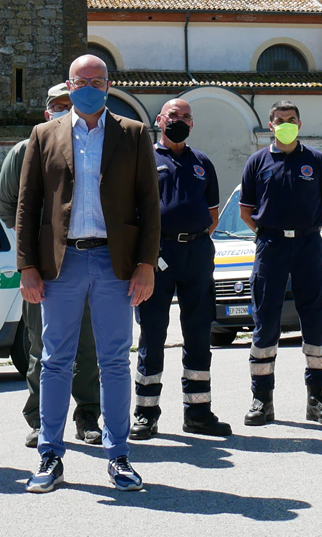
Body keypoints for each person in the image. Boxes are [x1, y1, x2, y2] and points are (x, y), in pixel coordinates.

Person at [15, 54, 160, 494]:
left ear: (109, 85)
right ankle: (50, 455)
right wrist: (26, 266)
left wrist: (146, 264)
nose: (91, 86)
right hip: (62, 265)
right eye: (82, 81)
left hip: (115, 264)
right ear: (69, 85)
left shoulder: (133, 135)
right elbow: (28, 205)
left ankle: (119, 457)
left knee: (114, 361)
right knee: (55, 360)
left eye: (98, 80)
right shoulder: (44, 135)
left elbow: (149, 205)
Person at [0, 83, 101, 448]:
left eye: (66, 105)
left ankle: (88, 415)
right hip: (43, 266)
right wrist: (31, 255)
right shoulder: (25, 151)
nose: (61, 110)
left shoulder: (92, 147)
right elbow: (9, 207)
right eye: (55, 106)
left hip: (85, 260)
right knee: (41, 345)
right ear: (46, 113)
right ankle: (41, 419)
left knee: (87, 345)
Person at [131, 99, 232, 439]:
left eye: (186, 117)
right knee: (153, 333)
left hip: (197, 254)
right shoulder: (144, 160)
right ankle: (146, 414)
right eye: (174, 115)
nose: (180, 121)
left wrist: (194, 240)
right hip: (157, 256)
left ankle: (198, 412)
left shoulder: (202, 163)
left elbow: (213, 215)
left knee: (199, 333)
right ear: (160, 120)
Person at [238, 101, 322, 427]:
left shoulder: (317, 161)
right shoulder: (257, 163)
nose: (286, 124)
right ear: (271, 125)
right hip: (271, 246)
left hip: (309, 245)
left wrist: (304, 232)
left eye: (291, 120)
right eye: (280, 120)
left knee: (314, 321)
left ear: (300, 123)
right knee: (265, 320)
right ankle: (261, 401)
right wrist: (273, 234)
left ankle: (318, 400)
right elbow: (246, 211)